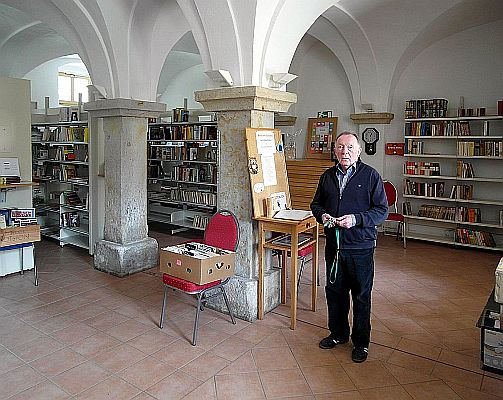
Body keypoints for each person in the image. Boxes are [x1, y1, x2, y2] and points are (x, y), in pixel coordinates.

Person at [310, 131, 388, 363]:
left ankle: (361, 343)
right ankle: (338, 334)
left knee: (361, 297)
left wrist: (356, 219)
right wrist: (321, 214)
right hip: (334, 246)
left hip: (360, 248)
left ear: (359, 151)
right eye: (341, 147)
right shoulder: (326, 176)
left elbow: (381, 210)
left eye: (350, 147)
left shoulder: (371, 175)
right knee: (335, 293)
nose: (345, 151)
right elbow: (316, 204)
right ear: (334, 150)